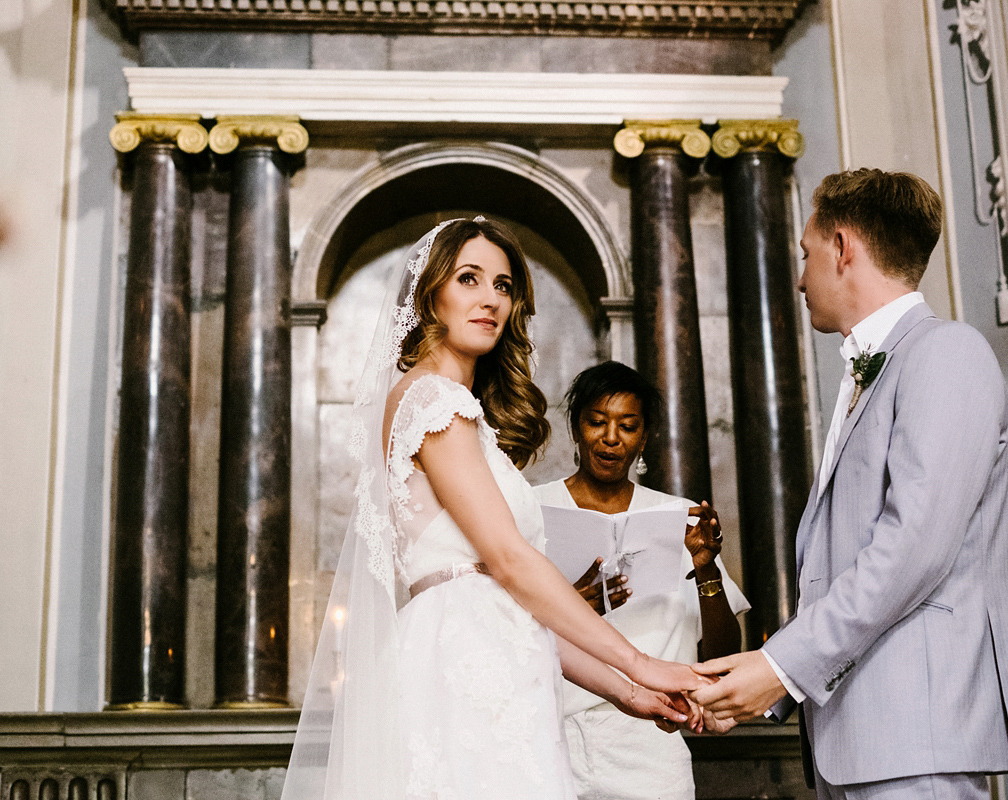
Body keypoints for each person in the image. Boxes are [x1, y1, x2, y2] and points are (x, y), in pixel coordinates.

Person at [280, 217, 708, 800]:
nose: (491, 299)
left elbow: (509, 598)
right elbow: (509, 562)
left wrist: (628, 693)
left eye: (503, 285)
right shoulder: (433, 401)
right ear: (431, 293)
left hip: (496, 656)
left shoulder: (451, 407)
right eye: (469, 279)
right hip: (464, 666)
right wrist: (642, 664)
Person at [690, 169, 1008, 800]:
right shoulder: (865, 376)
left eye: (805, 254)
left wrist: (778, 669)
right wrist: (761, 687)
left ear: (842, 246)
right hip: (853, 744)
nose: (800, 277)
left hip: (916, 739)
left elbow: (911, 551)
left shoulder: (947, 352)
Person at [532, 360, 749, 800]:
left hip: (651, 748)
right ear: (576, 429)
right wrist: (571, 608)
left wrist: (705, 566)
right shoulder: (532, 511)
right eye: (596, 422)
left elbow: (722, 655)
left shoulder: (679, 517)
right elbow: (495, 629)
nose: (611, 438)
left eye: (627, 426)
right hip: (549, 734)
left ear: (644, 438)